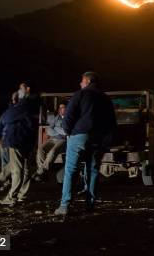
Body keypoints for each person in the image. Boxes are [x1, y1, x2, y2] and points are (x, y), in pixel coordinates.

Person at [54, 72, 116, 216]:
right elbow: (112, 122)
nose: (80, 84)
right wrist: (106, 140)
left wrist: (68, 132)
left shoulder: (80, 94)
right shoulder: (105, 98)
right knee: (92, 170)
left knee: (71, 169)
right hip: (97, 138)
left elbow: (69, 115)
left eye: (81, 81)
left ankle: (65, 205)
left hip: (79, 136)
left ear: (87, 81)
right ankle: (89, 204)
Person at [0, 83, 39, 206]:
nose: (19, 91)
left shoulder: (25, 105)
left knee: (18, 169)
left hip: (18, 141)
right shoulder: (24, 106)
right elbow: (4, 121)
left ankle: (12, 194)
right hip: (20, 141)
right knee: (21, 169)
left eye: (21, 88)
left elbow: (6, 119)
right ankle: (16, 195)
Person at [0, 92, 19, 191]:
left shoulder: (18, 111)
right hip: (5, 141)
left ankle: (3, 179)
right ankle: (4, 180)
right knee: (7, 163)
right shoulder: (8, 112)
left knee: (11, 164)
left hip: (13, 141)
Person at [34, 103, 67, 180]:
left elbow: (66, 131)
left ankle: (40, 172)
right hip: (53, 139)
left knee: (52, 151)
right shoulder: (56, 118)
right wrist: (58, 131)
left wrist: (55, 128)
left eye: (63, 107)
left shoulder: (69, 118)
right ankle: (42, 172)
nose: (61, 109)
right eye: (60, 108)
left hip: (62, 140)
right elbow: (49, 130)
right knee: (40, 149)